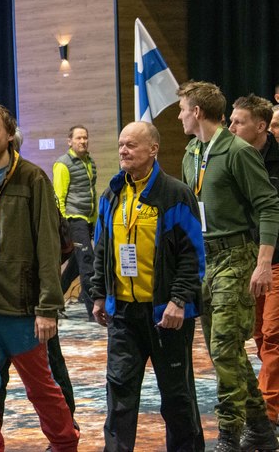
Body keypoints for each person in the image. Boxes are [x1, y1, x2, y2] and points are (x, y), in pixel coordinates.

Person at [0, 103, 79, 452]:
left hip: (21, 310)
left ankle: (65, 444)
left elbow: (48, 245)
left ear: (10, 134)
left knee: (41, 391)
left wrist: (48, 307)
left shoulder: (32, 178)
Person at [91, 121, 205, 451]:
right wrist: (98, 294)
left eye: (131, 145)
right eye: (121, 144)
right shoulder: (111, 194)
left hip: (167, 315)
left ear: (153, 149)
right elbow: (102, 250)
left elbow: (192, 256)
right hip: (123, 315)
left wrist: (179, 301)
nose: (123, 150)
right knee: (119, 395)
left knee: (177, 398)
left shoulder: (176, 194)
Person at [178, 81, 279, 451]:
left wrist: (263, 263)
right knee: (226, 350)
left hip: (237, 256)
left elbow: (269, 206)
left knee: (224, 348)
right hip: (205, 258)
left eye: (182, 110)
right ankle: (261, 429)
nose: (179, 117)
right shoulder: (191, 153)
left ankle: (228, 435)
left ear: (197, 112)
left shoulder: (238, 151)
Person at [229, 95, 279, 429]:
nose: (231, 127)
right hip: (246, 259)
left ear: (260, 127)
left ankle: (267, 414)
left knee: (273, 335)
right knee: (259, 335)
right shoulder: (233, 158)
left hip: (276, 260)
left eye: (238, 122)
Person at [53, 125, 98, 320]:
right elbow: (59, 196)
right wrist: (63, 224)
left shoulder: (90, 162)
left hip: (88, 220)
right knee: (88, 263)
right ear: (69, 141)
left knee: (75, 265)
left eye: (85, 137)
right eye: (78, 138)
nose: (83, 141)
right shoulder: (62, 164)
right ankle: (93, 312)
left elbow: (91, 193)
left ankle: (53, 302)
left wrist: (94, 220)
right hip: (73, 220)